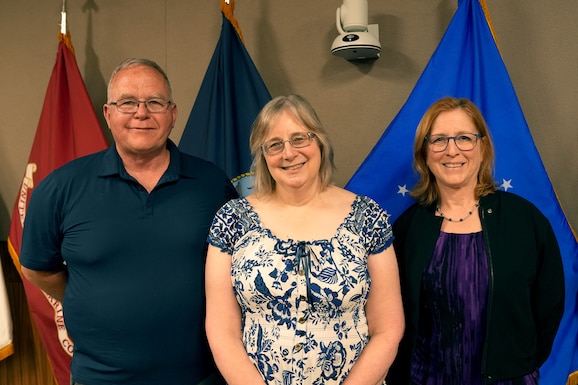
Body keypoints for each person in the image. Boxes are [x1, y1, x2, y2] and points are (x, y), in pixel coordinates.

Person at [20, 58, 238, 385]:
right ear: (108, 113)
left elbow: (239, 266)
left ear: (173, 113)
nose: (141, 112)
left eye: (155, 102)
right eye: (128, 102)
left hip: (201, 378)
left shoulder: (212, 183)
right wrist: (90, 296)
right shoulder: (60, 188)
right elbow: (37, 268)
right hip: (100, 379)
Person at [205, 94, 405, 385]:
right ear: (263, 156)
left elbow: (388, 327)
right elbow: (221, 330)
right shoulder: (232, 220)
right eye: (274, 144)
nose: (288, 153)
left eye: (300, 139)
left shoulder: (367, 217)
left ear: (320, 143)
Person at [388, 97, 565, 385]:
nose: (452, 150)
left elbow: (549, 304)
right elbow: (394, 314)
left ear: (482, 148)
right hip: (426, 380)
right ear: (425, 154)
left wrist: (518, 364)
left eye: (464, 138)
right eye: (439, 140)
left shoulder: (524, 221)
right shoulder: (408, 229)